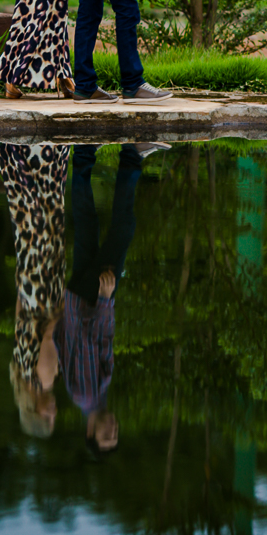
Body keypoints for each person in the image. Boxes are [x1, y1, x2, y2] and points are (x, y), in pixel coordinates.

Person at [54, 141, 167, 453]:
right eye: (115, 434)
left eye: (107, 435)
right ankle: (83, 152)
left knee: (123, 228)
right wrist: (67, 309)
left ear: (91, 431)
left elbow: (89, 342)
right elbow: (61, 342)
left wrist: (104, 300)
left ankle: (132, 154)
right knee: (86, 224)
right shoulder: (85, 397)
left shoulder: (88, 396)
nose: (113, 428)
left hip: (92, 298)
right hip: (78, 298)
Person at [0, 140, 70, 438]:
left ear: (36, 410)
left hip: (45, 282)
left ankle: (38, 149)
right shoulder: (20, 373)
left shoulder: (44, 379)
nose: (55, 413)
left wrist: (66, 308)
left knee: (48, 206)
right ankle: (17, 153)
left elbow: (50, 334)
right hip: (28, 279)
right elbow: (19, 316)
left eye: (49, 418)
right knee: (30, 211)